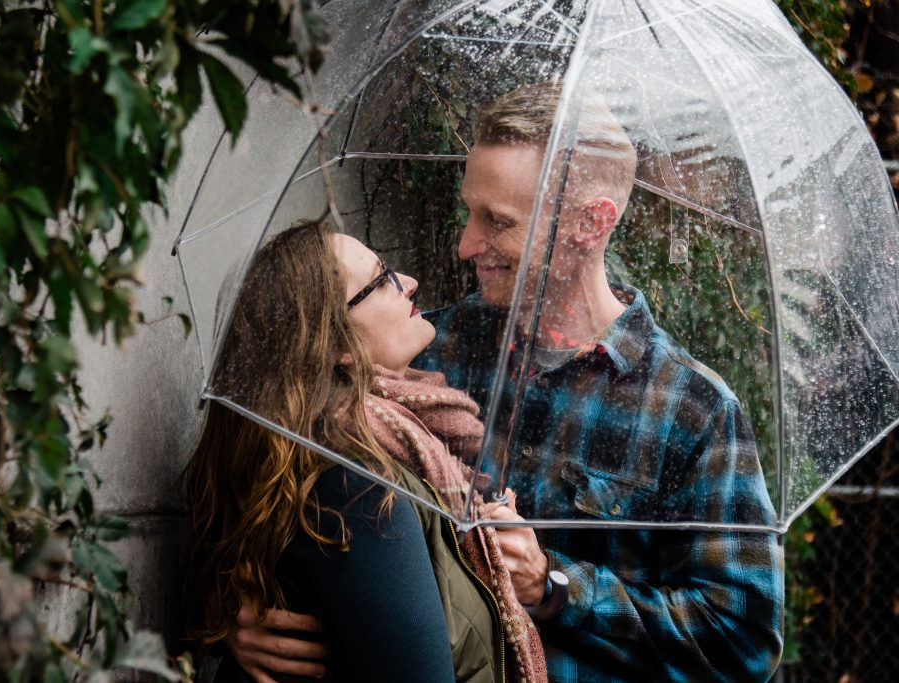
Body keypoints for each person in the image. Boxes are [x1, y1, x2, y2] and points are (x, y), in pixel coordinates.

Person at [223, 83, 786, 682]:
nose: (467, 244)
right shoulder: (423, 350)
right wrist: (238, 620)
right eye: (470, 210)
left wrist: (555, 586)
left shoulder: (692, 411)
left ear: (591, 224)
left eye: (498, 222)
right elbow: (277, 483)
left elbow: (742, 644)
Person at [180, 219, 548, 683]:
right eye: (384, 278)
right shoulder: (359, 490)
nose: (411, 283)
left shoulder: (393, 439)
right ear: (336, 345)